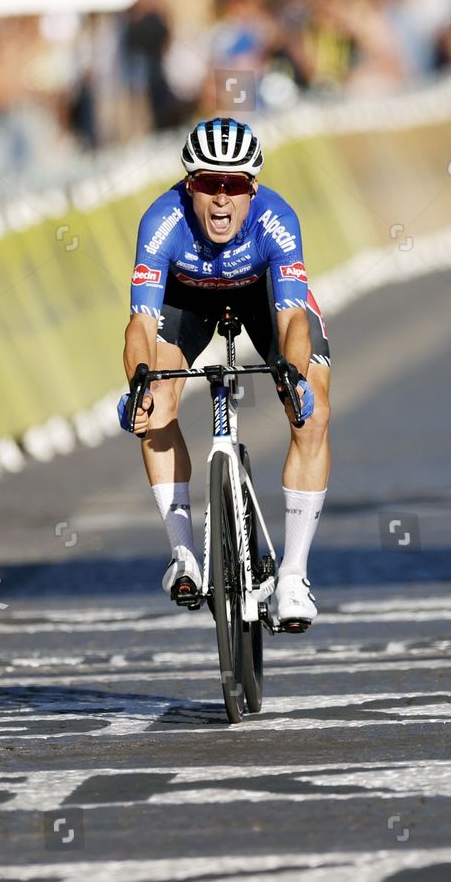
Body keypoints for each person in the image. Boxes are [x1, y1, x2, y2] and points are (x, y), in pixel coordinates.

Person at [117, 117, 331, 631]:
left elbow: (294, 318)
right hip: (186, 300)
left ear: (251, 189)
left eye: (233, 185)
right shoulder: (162, 221)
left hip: (261, 297)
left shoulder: (277, 220)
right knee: (157, 404)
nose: (220, 200)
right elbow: (141, 324)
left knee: (314, 412)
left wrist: (294, 377)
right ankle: (184, 555)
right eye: (209, 183)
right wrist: (139, 383)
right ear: (189, 186)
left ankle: (294, 577)